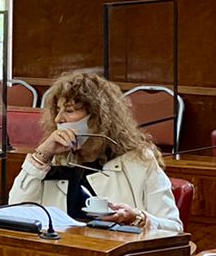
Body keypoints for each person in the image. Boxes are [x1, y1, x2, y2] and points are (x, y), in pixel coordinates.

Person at [9, 70, 182, 232]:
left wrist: (138, 218)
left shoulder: (139, 161)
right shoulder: (55, 160)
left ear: (97, 117)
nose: (58, 119)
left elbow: (174, 228)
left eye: (69, 111)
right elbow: (16, 212)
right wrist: (41, 155)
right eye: (58, 110)